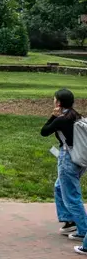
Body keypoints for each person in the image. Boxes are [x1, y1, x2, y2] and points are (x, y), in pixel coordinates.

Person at [43, 87, 87, 252]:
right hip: (79, 159)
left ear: (58, 102)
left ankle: (83, 230)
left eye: (54, 99)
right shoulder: (76, 115)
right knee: (59, 187)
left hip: (68, 159)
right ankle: (69, 220)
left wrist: (52, 116)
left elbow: (44, 131)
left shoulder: (61, 119)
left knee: (72, 197)